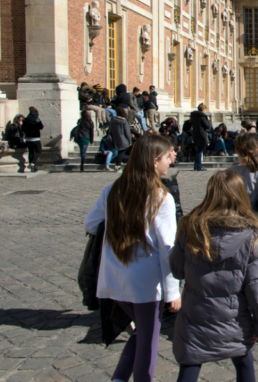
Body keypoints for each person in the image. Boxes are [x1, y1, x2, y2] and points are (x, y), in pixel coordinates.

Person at [83, 133, 181, 382]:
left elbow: (91, 224)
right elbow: (166, 249)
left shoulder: (112, 189)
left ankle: (118, 378)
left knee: (140, 333)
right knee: (148, 341)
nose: (170, 161)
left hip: (113, 277)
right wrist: (173, 292)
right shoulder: (161, 197)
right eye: (166, 157)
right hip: (145, 283)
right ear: (154, 160)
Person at [170, 170, 258, 382]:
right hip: (234, 317)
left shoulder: (189, 226)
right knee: (244, 361)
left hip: (195, 314)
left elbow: (177, 270)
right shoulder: (254, 235)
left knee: (190, 364)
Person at [229, 132, 258, 210]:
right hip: (255, 215)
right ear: (256, 151)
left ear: (236, 150)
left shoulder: (228, 172)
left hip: (234, 216)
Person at [189, 104, 212, 171]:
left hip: (195, 134)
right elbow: (207, 126)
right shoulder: (202, 116)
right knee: (200, 150)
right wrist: (208, 121)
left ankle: (196, 165)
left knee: (198, 150)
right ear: (203, 109)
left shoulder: (193, 116)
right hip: (201, 134)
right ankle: (199, 166)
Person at [22, 106, 44, 172]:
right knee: (38, 151)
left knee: (31, 152)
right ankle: (32, 164)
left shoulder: (26, 119)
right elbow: (41, 127)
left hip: (28, 138)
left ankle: (32, 166)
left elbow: (23, 129)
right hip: (35, 138)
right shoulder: (37, 119)